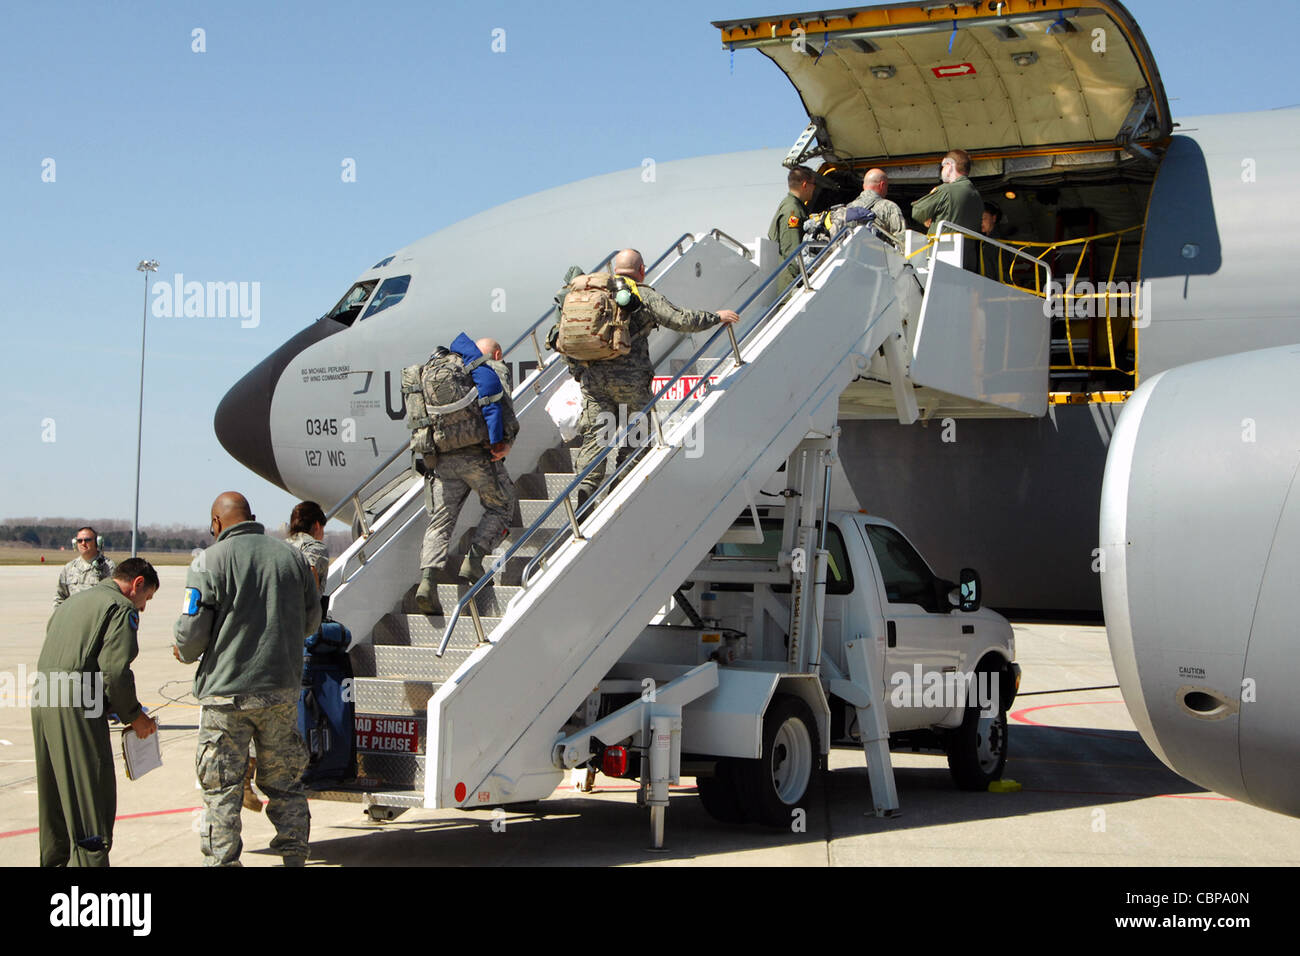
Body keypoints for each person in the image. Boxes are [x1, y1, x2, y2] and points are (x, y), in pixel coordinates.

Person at [174, 491, 321, 866]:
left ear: (216, 524)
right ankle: (294, 857)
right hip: (280, 693)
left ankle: (224, 862)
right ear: (252, 517)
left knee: (222, 790)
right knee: (285, 783)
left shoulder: (208, 561)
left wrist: (183, 650)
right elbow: (311, 623)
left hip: (227, 697)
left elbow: (191, 635)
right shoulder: (292, 557)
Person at [555, 249, 740, 509]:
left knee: (596, 439)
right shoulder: (640, 293)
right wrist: (716, 317)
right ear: (641, 270)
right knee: (638, 434)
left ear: (614, 268)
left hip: (593, 381)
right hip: (631, 381)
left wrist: (579, 373)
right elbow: (679, 319)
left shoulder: (593, 296)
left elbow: (565, 339)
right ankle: (620, 486)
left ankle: (585, 492)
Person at [32, 557, 159, 866]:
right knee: (91, 797)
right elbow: (115, 672)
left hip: (43, 695)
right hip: (75, 703)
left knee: (56, 800)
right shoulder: (120, 607)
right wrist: (133, 715)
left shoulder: (73, 602)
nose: (143, 607)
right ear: (137, 584)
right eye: (147, 598)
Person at [414, 335, 519, 615]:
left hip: (443, 460)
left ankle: (427, 582)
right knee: (501, 505)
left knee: (440, 521)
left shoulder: (442, 371)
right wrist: (505, 442)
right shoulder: (486, 370)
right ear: (495, 355)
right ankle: (473, 560)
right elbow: (503, 408)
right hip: (479, 457)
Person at [910, 148, 983, 237]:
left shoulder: (946, 190)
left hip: (943, 248)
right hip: (968, 249)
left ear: (949, 165)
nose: (942, 169)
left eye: (943, 166)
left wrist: (932, 198)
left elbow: (917, 212)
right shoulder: (976, 195)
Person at [768, 165, 816, 291]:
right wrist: (803, 278)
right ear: (805, 184)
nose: (814, 188)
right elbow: (791, 250)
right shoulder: (792, 210)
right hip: (791, 285)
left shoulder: (792, 205)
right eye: (813, 184)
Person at [53, 526, 115, 609]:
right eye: (79, 541)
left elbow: (114, 597)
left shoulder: (108, 567)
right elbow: (60, 597)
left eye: (87, 540)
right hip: (74, 619)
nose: (83, 543)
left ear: (97, 542)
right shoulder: (69, 568)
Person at [846, 168, 907, 244]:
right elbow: (901, 241)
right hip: (878, 254)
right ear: (882, 185)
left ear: (864, 186)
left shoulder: (849, 207)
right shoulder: (889, 207)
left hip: (849, 254)